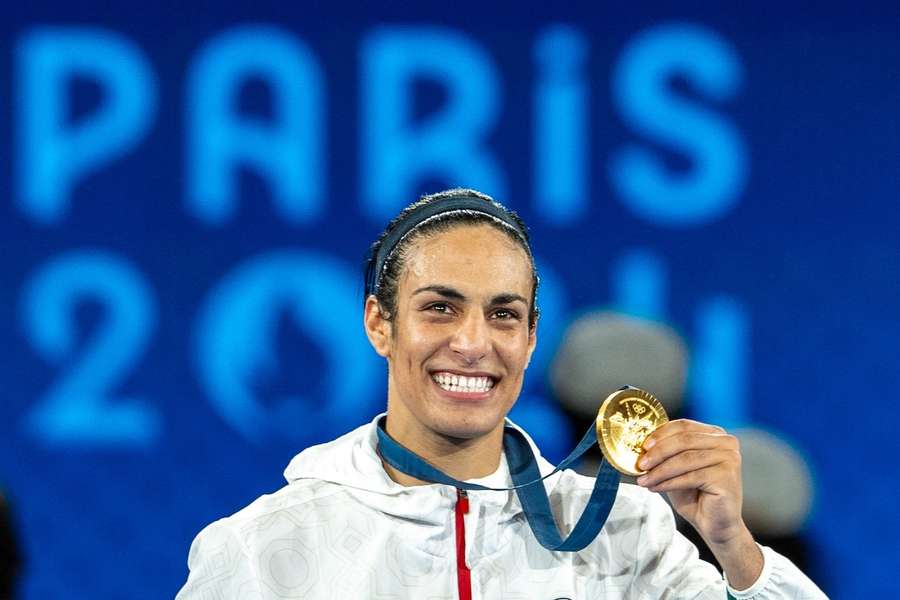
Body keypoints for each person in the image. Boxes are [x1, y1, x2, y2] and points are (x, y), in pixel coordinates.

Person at [176, 188, 826, 599]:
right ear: (379, 322)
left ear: (531, 336)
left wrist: (733, 546)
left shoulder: (624, 534)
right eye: (439, 308)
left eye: (504, 314)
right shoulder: (264, 549)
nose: (472, 343)